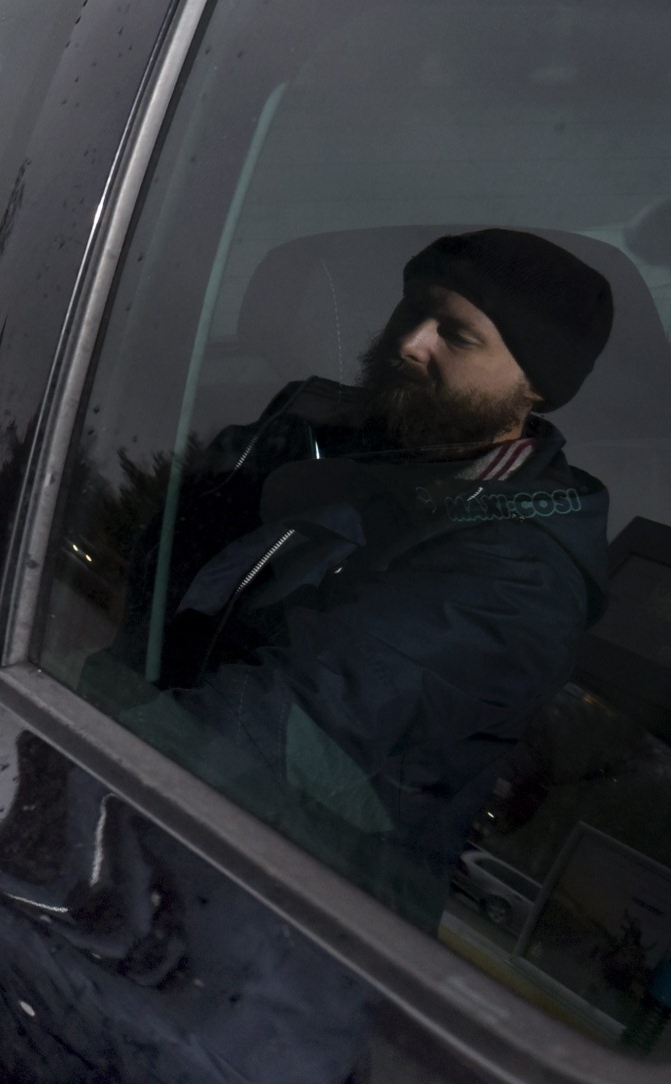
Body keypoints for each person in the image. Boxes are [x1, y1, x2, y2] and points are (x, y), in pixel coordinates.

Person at [127, 229, 616, 926]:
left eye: (456, 335)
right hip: (183, 848)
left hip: (283, 920)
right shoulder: (339, 438)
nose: (410, 343)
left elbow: (290, 725)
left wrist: (58, 771)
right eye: (409, 312)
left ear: (535, 383)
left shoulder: (517, 576)